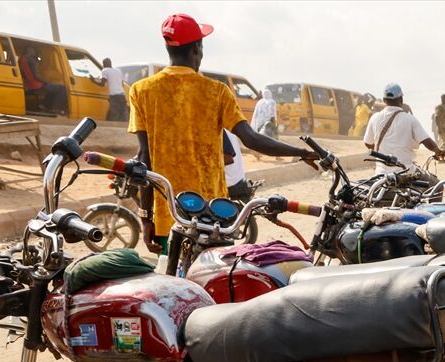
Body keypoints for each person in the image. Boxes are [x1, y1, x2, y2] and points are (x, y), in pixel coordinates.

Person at [129, 13, 317, 255]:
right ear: (197, 49)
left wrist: (146, 217)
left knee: (176, 286)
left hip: (169, 216)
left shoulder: (141, 91)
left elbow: (144, 159)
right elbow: (252, 139)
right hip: (212, 215)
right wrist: (301, 152)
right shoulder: (216, 92)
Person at [363, 83, 445, 174]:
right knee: (436, 185)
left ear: (383, 100)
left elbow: (368, 143)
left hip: (381, 174)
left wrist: (383, 149)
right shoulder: (410, 119)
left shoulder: (375, 117)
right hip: (406, 173)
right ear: (401, 99)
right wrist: (437, 151)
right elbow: (427, 141)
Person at [20, 45, 66, 114]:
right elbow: (36, 76)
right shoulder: (32, 60)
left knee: (51, 87)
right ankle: (56, 109)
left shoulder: (21, 59)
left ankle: (44, 105)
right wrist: (46, 81)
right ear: (31, 51)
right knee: (62, 88)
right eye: (34, 50)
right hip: (36, 85)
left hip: (28, 85)